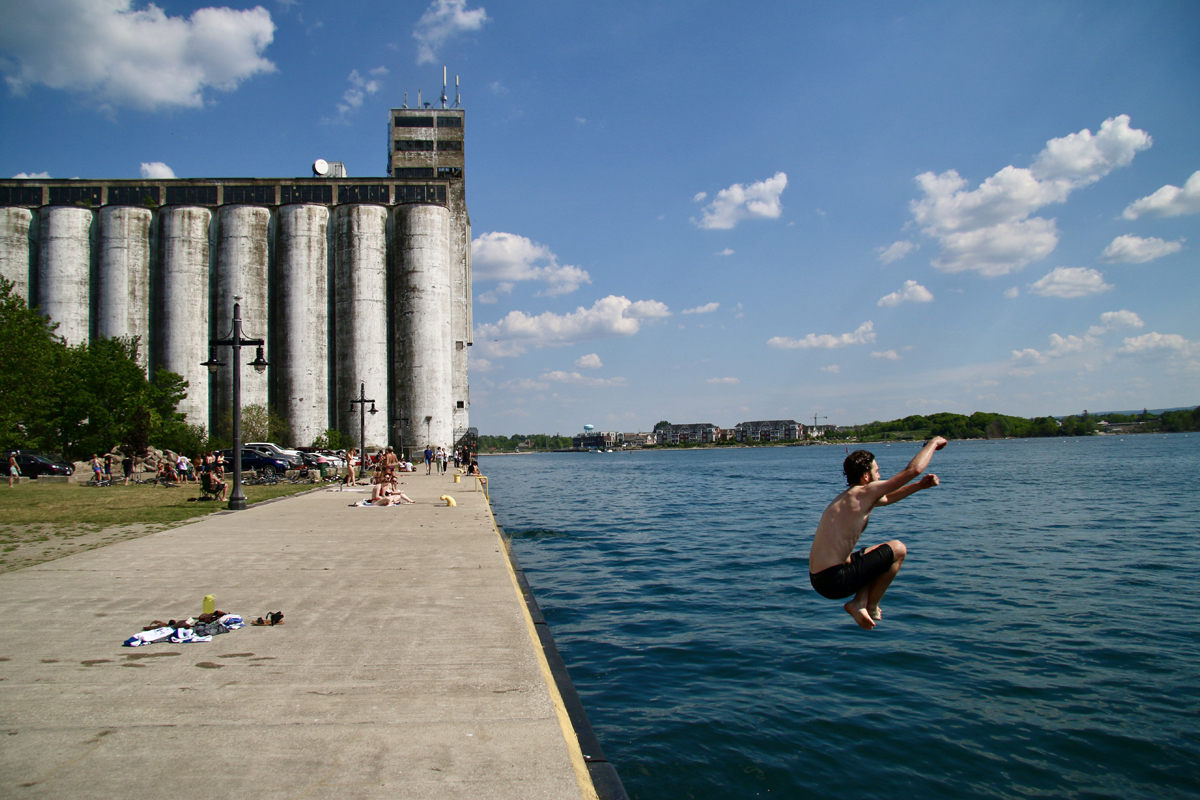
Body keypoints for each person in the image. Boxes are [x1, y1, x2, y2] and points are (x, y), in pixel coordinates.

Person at [808, 437, 947, 630]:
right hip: (834, 580)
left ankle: (860, 602)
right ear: (866, 476)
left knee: (874, 553)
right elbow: (912, 470)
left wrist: (919, 486)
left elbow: (888, 497)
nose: (880, 476)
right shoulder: (864, 492)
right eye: (877, 471)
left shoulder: (850, 497)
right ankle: (869, 605)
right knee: (898, 549)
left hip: (820, 578)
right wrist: (933, 443)